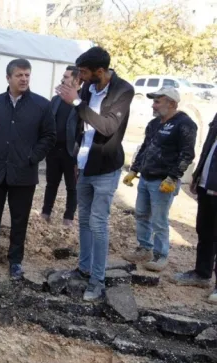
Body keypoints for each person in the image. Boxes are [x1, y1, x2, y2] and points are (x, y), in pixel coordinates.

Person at [0, 59, 56, 280]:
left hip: (24, 172)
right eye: (19, 75)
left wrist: (32, 157)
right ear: (8, 78)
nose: (24, 79)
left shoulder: (41, 105)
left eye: (27, 75)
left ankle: (15, 261)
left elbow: (49, 136)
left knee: (19, 219)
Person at [56, 46, 134, 302]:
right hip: (85, 165)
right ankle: (84, 268)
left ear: (100, 71)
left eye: (84, 72)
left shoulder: (123, 90)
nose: (81, 77)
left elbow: (108, 126)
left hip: (106, 168)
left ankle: (97, 281)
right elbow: (82, 124)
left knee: (99, 224)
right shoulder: (89, 88)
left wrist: (76, 101)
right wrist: (77, 155)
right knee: (85, 221)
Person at [122, 87, 196, 272]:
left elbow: (187, 154)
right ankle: (144, 248)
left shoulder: (184, 124)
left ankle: (160, 255)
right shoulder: (154, 124)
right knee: (141, 214)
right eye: (154, 101)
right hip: (146, 178)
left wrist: (173, 177)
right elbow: (145, 147)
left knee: (159, 220)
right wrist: (135, 169)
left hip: (163, 182)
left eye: (157, 101)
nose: (153, 105)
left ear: (172, 104)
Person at [174, 111, 217, 305]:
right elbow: (208, 148)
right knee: (205, 231)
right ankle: (201, 273)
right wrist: (198, 175)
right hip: (206, 184)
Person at [41, 66, 81, 226]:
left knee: (72, 186)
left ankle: (68, 217)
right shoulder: (56, 99)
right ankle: (45, 213)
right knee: (51, 183)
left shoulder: (80, 101)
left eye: (66, 76)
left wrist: (78, 154)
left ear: (76, 80)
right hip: (54, 150)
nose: (62, 79)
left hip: (72, 152)